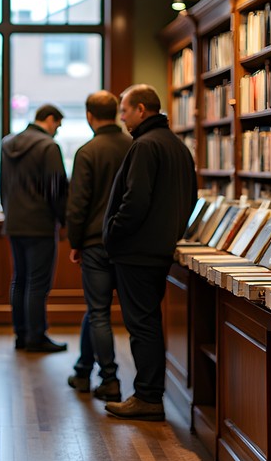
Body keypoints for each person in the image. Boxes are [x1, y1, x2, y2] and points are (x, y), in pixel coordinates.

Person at [103, 84, 197, 421]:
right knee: (149, 322)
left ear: (142, 109)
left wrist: (113, 233)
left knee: (141, 324)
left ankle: (147, 397)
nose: (123, 117)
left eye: (125, 110)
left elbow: (135, 200)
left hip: (136, 251)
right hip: (160, 249)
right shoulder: (177, 146)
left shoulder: (144, 145)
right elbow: (190, 200)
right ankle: (149, 393)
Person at [65, 91, 132, 401]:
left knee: (99, 311)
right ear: (118, 113)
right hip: (129, 243)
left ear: (89, 116)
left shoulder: (87, 151)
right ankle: (82, 370)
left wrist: (75, 242)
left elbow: (77, 203)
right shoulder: (133, 146)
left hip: (94, 242)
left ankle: (109, 379)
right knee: (98, 310)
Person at [0, 104, 70, 352]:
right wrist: (63, 220)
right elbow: (56, 189)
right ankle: (36, 337)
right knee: (38, 283)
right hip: (40, 224)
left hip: (14, 222)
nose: (57, 132)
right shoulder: (48, 147)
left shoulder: (7, 143)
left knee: (19, 280)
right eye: (58, 126)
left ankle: (21, 335)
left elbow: (3, 184)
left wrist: (8, 212)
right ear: (50, 119)